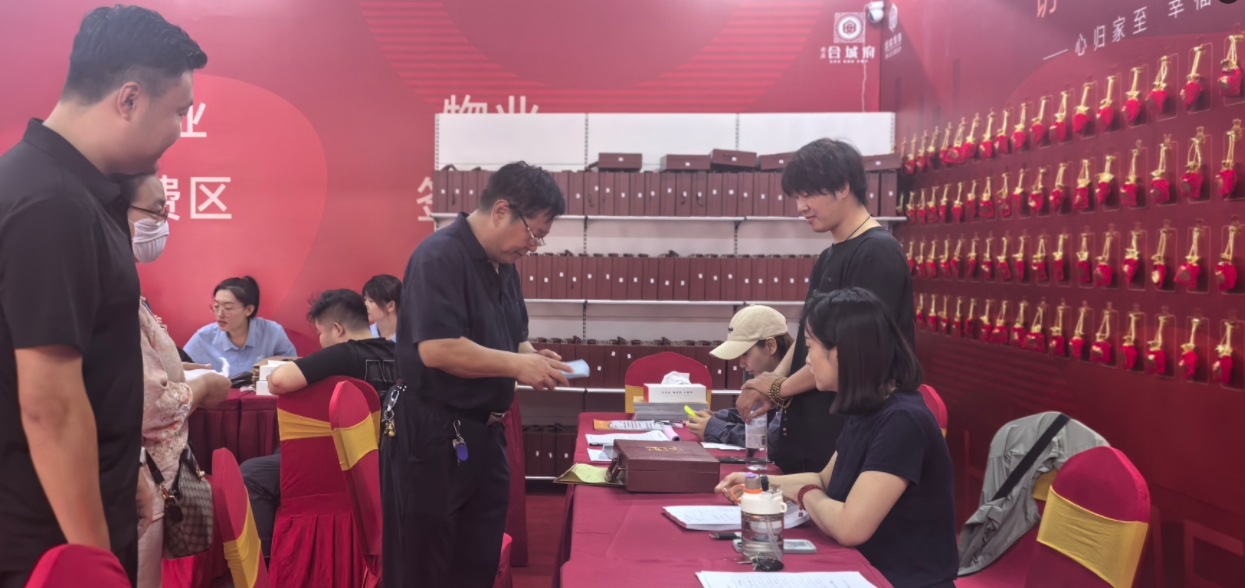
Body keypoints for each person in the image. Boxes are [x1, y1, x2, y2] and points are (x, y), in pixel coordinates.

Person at [0, 7, 206, 586]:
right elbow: (51, 404)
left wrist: (124, 468)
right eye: (179, 112)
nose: (179, 129)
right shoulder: (51, 204)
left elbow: (95, 366)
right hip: (49, 540)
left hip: (81, 506)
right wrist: (94, 564)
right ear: (129, 99)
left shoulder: (77, 192)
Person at [382, 162, 569, 587]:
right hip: (432, 433)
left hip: (484, 433)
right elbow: (438, 349)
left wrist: (534, 359)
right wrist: (519, 365)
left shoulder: (503, 264)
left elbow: (514, 339)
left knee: (476, 561)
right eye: (533, 233)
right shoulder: (439, 256)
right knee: (425, 566)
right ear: (501, 210)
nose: (534, 246)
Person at [716, 289, 956, 588]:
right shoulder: (869, 409)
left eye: (810, 348)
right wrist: (759, 482)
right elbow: (824, 479)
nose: (807, 361)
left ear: (841, 351)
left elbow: (848, 527)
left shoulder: (902, 421)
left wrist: (803, 492)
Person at [736, 138, 915, 476]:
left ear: (843, 187)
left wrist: (778, 388)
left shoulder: (877, 253)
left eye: (808, 195)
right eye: (796, 197)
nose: (800, 207)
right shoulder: (830, 254)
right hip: (808, 432)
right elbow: (810, 337)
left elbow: (850, 352)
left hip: (843, 432)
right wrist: (773, 380)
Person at [117, 173, 230, 588]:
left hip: (146, 478)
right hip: (138, 479)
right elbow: (149, 406)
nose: (163, 221)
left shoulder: (127, 288)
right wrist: (202, 388)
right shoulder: (114, 295)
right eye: (155, 211)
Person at [239, 289, 398, 559]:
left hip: (344, 463)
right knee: (279, 454)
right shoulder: (400, 352)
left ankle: (266, 563)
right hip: (393, 459)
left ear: (337, 329)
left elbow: (278, 382)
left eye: (320, 333)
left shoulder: (343, 354)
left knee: (252, 474)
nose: (321, 341)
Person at [686, 305, 790, 450]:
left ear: (771, 346)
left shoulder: (799, 386)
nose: (741, 364)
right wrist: (720, 418)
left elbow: (774, 439)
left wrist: (716, 428)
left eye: (745, 353)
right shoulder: (772, 382)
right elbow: (766, 419)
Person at [184, 276, 298, 378]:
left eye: (228, 308)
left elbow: (294, 370)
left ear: (248, 310)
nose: (220, 314)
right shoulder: (204, 337)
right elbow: (180, 370)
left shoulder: (273, 333)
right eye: (216, 306)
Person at [363, 274, 402, 342]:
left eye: (371, 301)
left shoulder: (412, 336)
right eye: (365, 300)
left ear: (390, 306)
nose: (365, 305)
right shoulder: (364, 336)